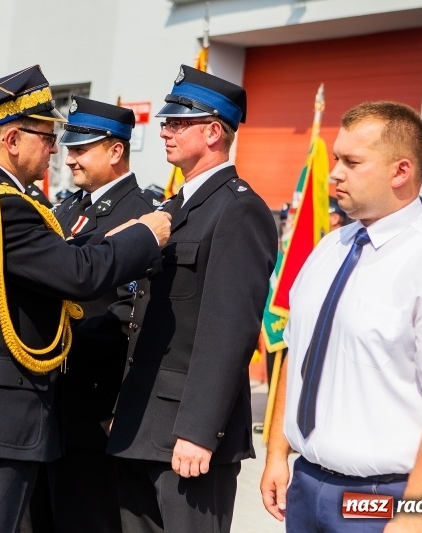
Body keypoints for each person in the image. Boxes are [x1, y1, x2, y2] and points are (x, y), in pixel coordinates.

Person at [0, 64, 170, 532]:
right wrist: (144, 236)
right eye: (47, 137)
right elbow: (78, 274)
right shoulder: (0, 201)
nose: (56, 150)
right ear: (12, 139)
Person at [260, 101, 422, 533]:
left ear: (400, 171)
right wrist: (278, 452)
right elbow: (299, 355)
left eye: (351, 162)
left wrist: (414, 517)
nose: (335, 173)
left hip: (393, 497)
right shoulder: (329, 249)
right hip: (309, 485)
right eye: (336, 159)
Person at [107, 64, 278, 533]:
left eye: (178, 123)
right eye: (166, 122)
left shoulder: (239, 209)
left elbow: (229, 332)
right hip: (142, 424)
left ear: (213, 132)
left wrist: (200, 431)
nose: (165, 131)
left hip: (190, 436)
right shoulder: (172, 207)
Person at [45, 96, 159, 533]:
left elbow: (133, 313)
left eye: (80, 149)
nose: (69, 158)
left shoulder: (143, 214)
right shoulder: (67, 208)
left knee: (88, 515)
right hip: (54, 394)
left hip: (97, 400)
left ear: (115, 150)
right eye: (69, 148)